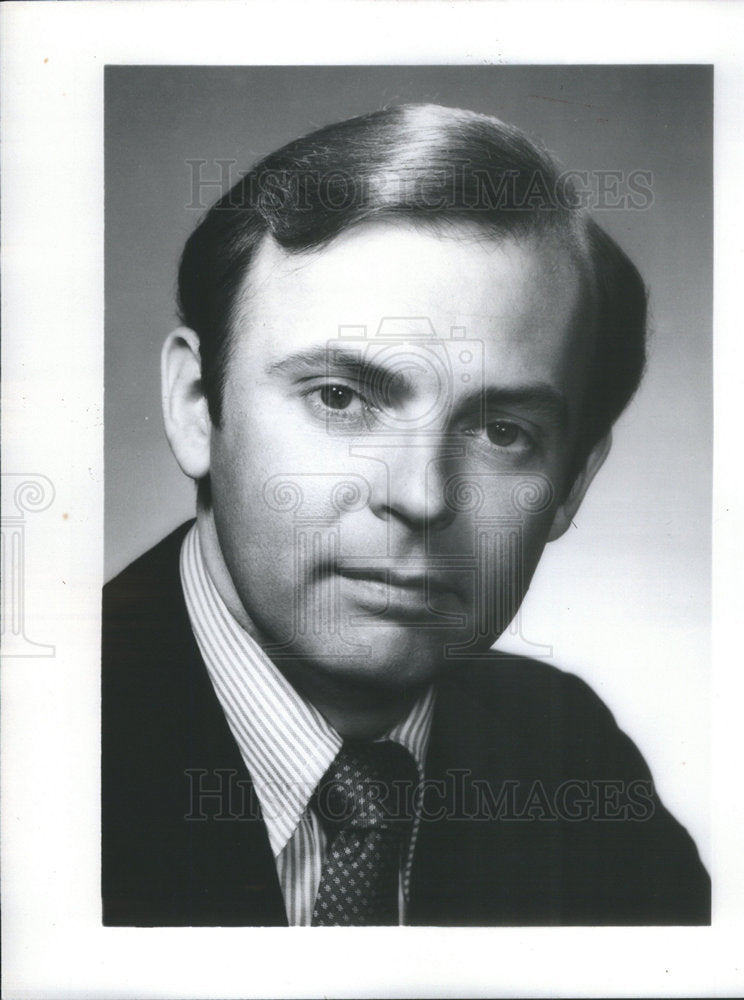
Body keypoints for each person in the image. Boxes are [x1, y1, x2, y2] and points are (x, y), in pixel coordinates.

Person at [102, 103, 710, 926]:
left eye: (502, 431)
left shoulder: (572, 765)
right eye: (342, 398)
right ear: (195, 403)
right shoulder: (38, 734)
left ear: (572, 483)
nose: (421, 496)